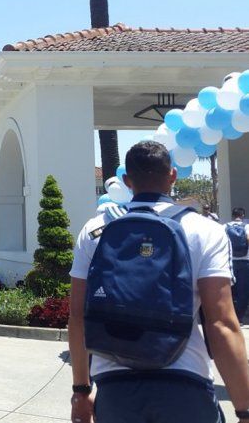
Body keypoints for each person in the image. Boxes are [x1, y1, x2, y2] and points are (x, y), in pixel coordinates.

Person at [69, 141, 249, 423]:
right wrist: (244, 409)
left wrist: (81, 390)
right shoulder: (206, 230)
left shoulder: (94, 231)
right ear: (173, 176)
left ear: (127, 181)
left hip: (115, 387)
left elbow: (78, 316)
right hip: (185, 381)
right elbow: (222, 323)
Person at [227, 207, 249, 322]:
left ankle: (231, 316)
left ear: (233, 215)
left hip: (230, 262)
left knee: (230, 290)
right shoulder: (246, 226)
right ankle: (240, 318)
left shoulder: (225, 227)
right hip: (245, 262)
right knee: (243, 291)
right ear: (242, 215)